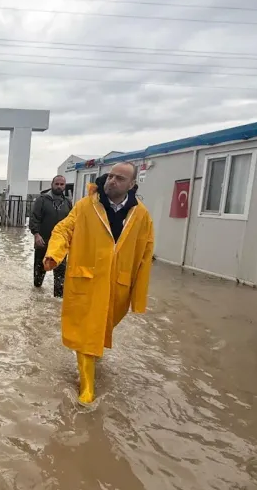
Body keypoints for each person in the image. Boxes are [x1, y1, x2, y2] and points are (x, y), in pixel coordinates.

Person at [43, 162, 154, 404]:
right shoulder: (85, 206)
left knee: (101, 329)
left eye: (120, 178)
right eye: (111, 176)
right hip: (87, 281)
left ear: (132, 184)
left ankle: (92, 361)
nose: (112, 180)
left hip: (117, 286)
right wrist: (54, 253)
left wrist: (138, 296)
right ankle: (87, 388)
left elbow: (145, 254)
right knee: (87, 333)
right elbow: (63, 230)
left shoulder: (141, 215)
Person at [29, 175, 72, 297]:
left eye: (61, 184)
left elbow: (72, 222)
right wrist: (36, 235)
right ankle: (36, 298)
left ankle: (56, 304)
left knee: (60, 275)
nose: (59, 186)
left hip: (60, 245)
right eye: (57, 184)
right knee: (39, 275)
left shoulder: (67, 202)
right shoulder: (41, 200)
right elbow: (34, 219)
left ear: (64, 186)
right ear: (52, 184)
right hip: (43, 241)